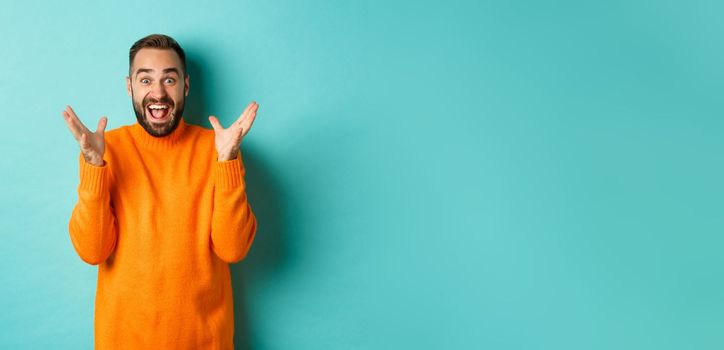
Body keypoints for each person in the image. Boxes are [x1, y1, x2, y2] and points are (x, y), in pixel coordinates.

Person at [61, 33, 259, 349]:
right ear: (130, 87)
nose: (157, 92)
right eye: (145, 80)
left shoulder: (217, 148)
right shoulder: (106, 149)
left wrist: (228, 160)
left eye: (169, 80)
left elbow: (233, 249)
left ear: (186, 86)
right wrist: (93, 165)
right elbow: (92, 251)